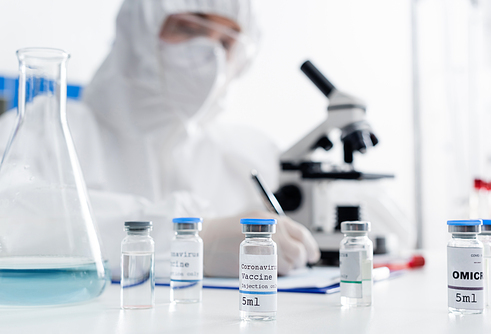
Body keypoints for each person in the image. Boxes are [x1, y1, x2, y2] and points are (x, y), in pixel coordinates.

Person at [0, 0, 320, 278]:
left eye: (225, 43)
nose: (208, 54)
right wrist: (195, 240)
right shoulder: (45, 129)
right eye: (188, 28)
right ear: (138, 28)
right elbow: (11, 220)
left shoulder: (248, 151)